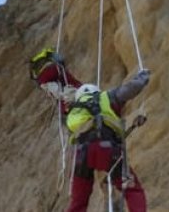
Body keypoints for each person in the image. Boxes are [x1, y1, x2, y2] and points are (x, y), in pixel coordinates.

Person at [30, 48, 151, 212]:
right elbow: (128, 90)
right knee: (132, 190)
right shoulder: (104, 98)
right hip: (107, 148)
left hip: (82, 155)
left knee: (78, 202)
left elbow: (64, 108)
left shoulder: (73, 113)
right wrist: (142, 78)